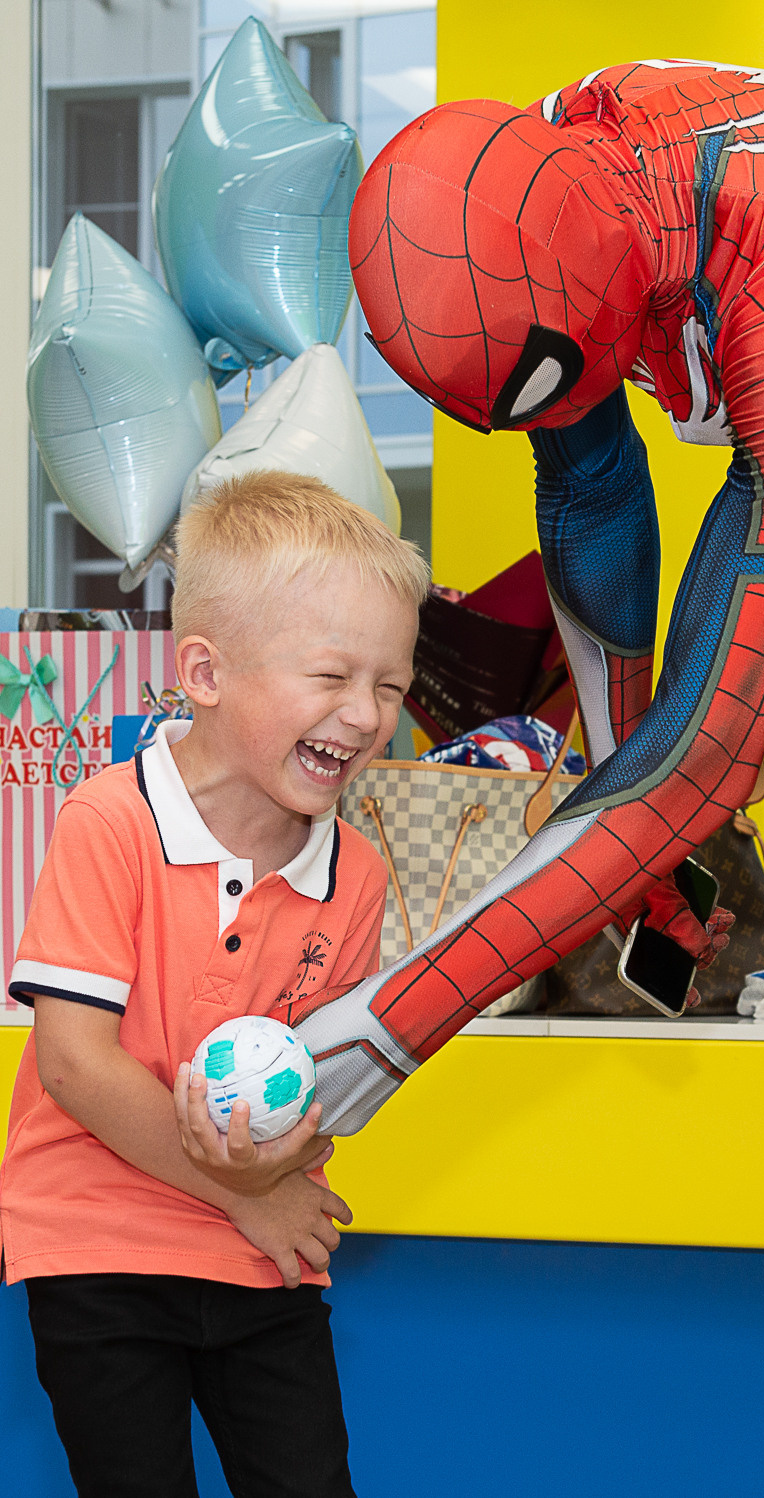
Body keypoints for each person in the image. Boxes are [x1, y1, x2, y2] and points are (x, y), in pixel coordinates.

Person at [296, 60, 764, 1498]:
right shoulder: (559, 183)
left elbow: (702, 768)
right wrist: (640, 856)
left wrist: (381, 1031)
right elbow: (594, 488)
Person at [0, 472, 427, 1498]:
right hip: (100, 1244)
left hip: (261, 1257)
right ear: (204, 672)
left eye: (391, 686)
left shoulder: (357, 875)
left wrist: (284, 1164)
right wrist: (247, 1192)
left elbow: (318, 1097)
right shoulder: (110, 823)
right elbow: (74, 1066)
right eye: (331, 675)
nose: (365, 714)